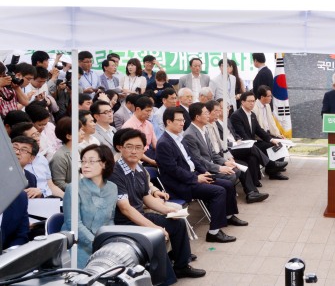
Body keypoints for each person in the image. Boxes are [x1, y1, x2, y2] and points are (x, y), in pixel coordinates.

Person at [109, 129, 206, 280]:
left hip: (139, 215)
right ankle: (163, 278)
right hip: (125, 222)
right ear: (120, 148)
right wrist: (155, 227)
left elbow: (146, 196)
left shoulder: (139, 168)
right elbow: (125, 209)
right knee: (158, 233)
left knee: (177, 222)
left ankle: (181, 266)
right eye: (129, 146)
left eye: (138, 147)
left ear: (144, 149)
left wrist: (168, 211)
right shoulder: (115, 172)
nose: (134, 151)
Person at [156, 107, 245, 243]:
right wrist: (196, 178)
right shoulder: (164, 143)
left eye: (183, 120)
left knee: (227, 184)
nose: (182, 123)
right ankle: (213, 232)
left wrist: (203, 172)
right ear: (168, 122)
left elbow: (193, 160)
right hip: (181, 184)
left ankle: (228, 216)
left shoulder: (179, 138)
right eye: (179, 120)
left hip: (193, 176)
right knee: (218, 191)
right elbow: (173, 170)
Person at [182, 102, 268, 203]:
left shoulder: (203, 129)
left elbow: (213, 152)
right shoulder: (190, 134)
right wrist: (219, 167)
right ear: (197, 117)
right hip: (204, 169)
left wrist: (225, 161)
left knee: (242, 164)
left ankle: (251, 193)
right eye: (206, 113)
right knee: (233, 173)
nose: (208, 115)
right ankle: (226, 203)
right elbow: (198, 159)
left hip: (216, 159)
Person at [62, 144, 117, 267]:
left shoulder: (112, 188)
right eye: (83, 161)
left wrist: (108, 240)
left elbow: (110, 220)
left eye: (91, 161)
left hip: (103, 243)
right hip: (76, 244)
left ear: (104, 164)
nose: (85, 165)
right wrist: (96, 243)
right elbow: (73, 223)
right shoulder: (73, 188)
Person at [231, 91, 287, 179]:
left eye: (253, 101)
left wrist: (271, 139)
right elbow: (242, 134)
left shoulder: (252, 114)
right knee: (262, 147)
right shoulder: (236, 115)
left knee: (276, 144)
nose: (252, 103)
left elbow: (259, 130)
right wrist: (252, 143)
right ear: (242, 102)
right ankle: (272, 165)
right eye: (249, 101)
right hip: (244, 144)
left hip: (253, 142)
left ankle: (274, 172)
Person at [50, 117, 73, 190]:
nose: (83, 132)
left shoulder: (80, 150)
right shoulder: (60, 157)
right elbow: (59, 183)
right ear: (69, 136)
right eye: (79, 130)